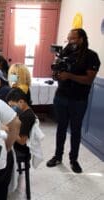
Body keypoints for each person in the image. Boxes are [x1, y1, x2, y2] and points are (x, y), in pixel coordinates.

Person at [46, 28, 101, 173]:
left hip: (78, 100)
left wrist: (69, 76)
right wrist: (57, 74)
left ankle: (73, 160)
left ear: (82, 39)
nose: (70, 41)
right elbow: (58, 69)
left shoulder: (91, 56)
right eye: (69, 38)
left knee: (76, 130)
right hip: (61, 97)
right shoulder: (65, 52)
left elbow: (89, 79)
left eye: (73, 38)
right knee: (61, 128)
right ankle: (57, 156)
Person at [6, 88, 36, 155]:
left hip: (20, 152)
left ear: (21, 101)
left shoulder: (26, 116)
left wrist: (9, 129)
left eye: (12, 106)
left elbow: (22, 141)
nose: (11, 108)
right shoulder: (24, 112)